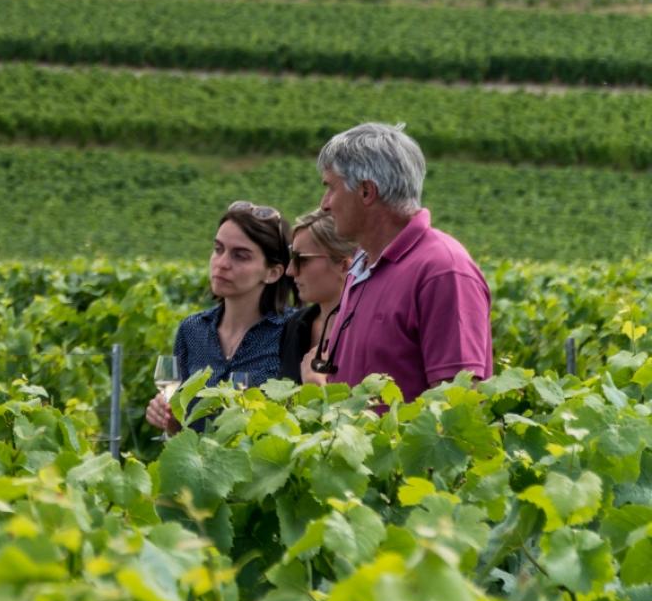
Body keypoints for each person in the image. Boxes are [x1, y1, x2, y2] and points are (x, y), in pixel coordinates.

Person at [314, 122, 492, 398]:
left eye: (331, 188)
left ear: (366, 192)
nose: (324, 204)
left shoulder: (444, 270)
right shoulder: (362, 264)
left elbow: (459, 405)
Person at [146, 201, 292, 434]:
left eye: (240, 256)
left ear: (273, 272)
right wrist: (169, 422)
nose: (222, 263)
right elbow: (181, 430)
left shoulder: (292, 332)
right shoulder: (191, 330)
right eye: (218, 249)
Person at [281, 208, 357, 384]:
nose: (290, 271)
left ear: (344, 265)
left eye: (303, 260)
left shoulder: (371, 332)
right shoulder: (295, 326)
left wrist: (318, 389)